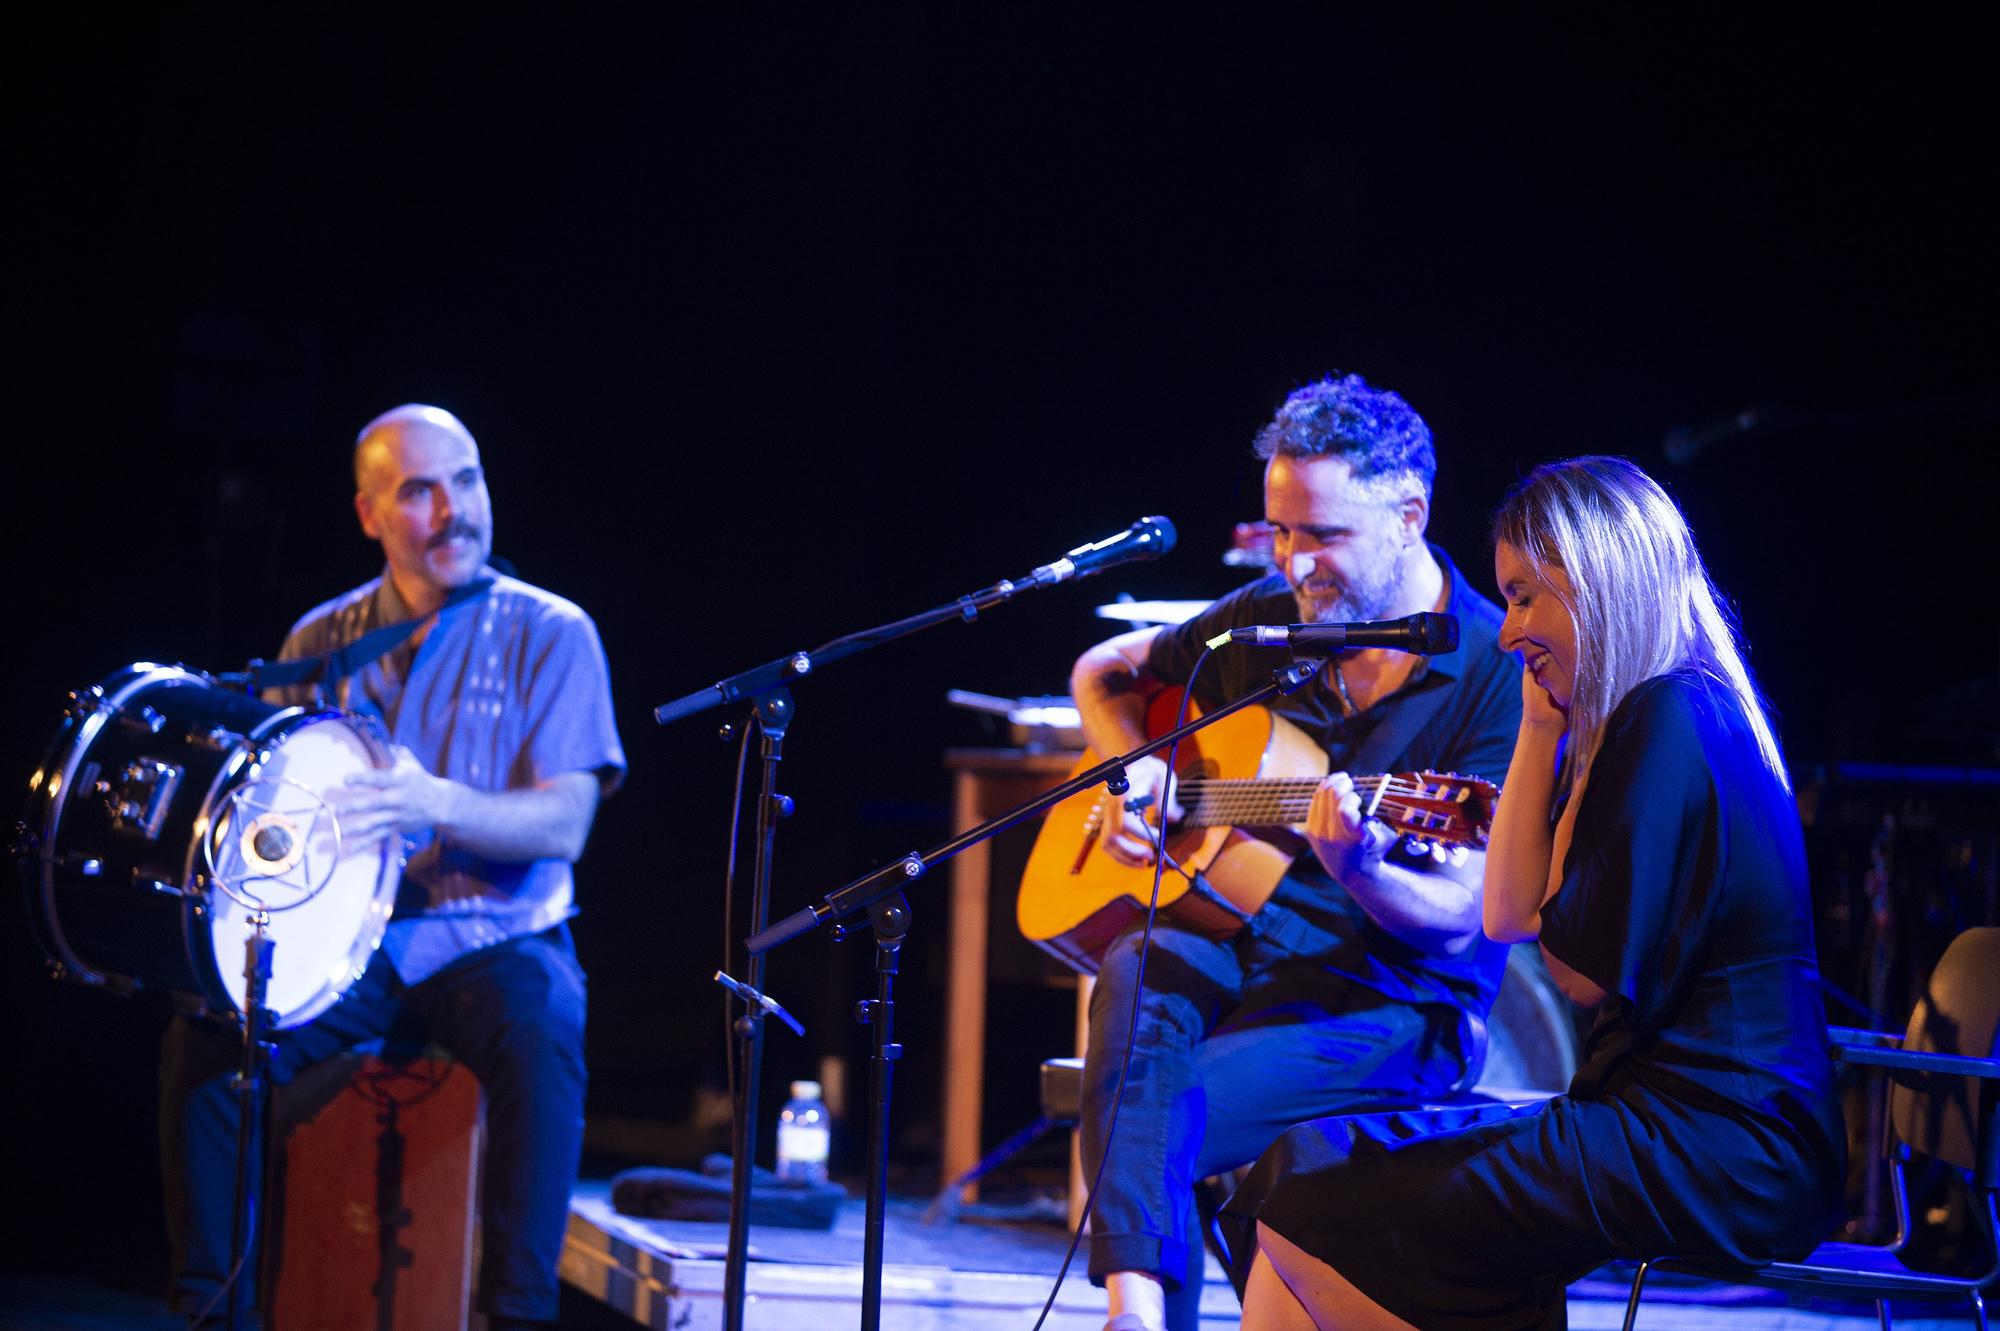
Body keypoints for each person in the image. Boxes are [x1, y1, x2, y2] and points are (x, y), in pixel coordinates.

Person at [1224, 455, 1847, 1330]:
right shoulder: (1659, 711)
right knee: (1302, 1174)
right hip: (1660, 1122)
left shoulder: (1669, 716)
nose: (1508, 631)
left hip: (1722, 1142)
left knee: (1310, 1197)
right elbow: (1507, 915)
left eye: (1524, 596)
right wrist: (1541, 729)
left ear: (1595, 581)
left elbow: (1579, 972)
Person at [1067, 374, 1524, 1331]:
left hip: (1395, 1002)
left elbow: (1466, 918)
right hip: (1249, 947)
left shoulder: (1492, 669)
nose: (1295, 561)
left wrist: (1362, 868)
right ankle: (1139, 1315)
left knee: (1160, 1112)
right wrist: (1132, 772)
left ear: (1410, 515)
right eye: (1280, 531)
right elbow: (1103, 668)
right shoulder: (1267, 624)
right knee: (1138, 959)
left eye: (1322, 534)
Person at [159, 404, 626, 1330]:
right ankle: (211, 1311)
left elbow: (567, 821)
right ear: (371, 514)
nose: (454, 509)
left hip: (492, 932)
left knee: (544, 1032)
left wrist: (434, 803)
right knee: (207, 1039)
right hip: (346, 940)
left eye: (468, 480)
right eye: (420, 490)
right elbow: (271, 815)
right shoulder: (318, 640)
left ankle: (518, 1315)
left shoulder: (553, 630)